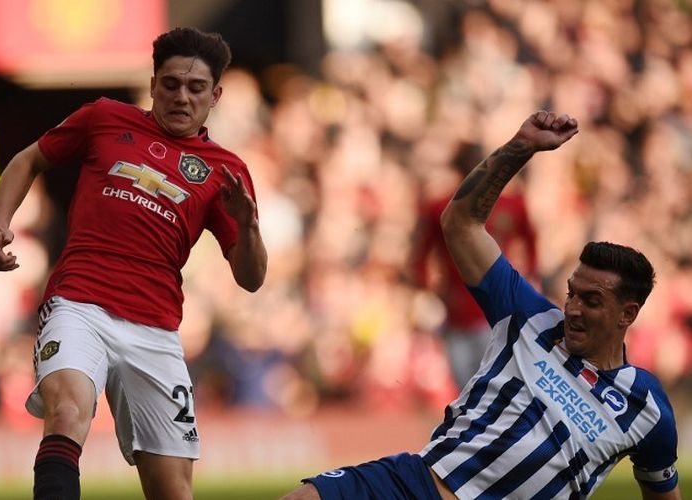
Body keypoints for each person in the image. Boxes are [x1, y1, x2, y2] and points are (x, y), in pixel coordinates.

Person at [282, 111, 680, 500]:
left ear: (627, 314)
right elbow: (460, 223)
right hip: (415, 480)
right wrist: (521, 147)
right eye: (572, 293)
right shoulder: (530, 317)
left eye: (592, 301)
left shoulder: (646, 409)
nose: (573, 308)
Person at [0, 27, 267, 500]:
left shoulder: (226, 171)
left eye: (196, 88)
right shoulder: (103, 118)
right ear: (153, 84)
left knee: (172, 491)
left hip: (155, 330)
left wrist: (249, 225)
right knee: (68, 412)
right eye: (171, 84)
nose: (182, 96)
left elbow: (251, 279)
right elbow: (28, 160)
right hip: (79, 304)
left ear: (215, 95)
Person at [409, 141, 538, 391]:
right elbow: (420, 253)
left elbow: (531, 239)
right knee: (470, 386)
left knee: (494, 383)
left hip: (496, 307)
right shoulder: (441, 209)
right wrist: (428, 288)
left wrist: (530, 274)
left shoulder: (512, 204)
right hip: (459, 309)